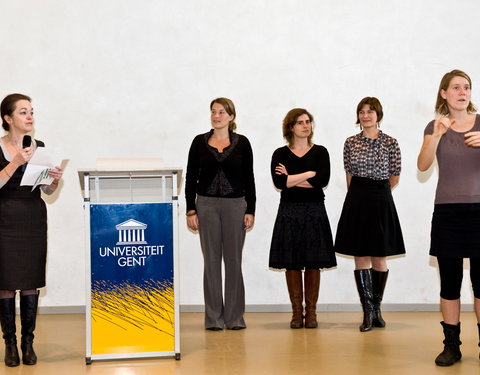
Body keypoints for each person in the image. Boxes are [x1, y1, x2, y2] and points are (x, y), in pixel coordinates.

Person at [417, 70, 480, 366]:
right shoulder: (434, 125)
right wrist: (437, 136)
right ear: (444, 93)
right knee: (450, 283)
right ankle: (451, 346)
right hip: (447, 212)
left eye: (466, 87)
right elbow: (423, 164)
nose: (462, 92)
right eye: (455, 87)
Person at [0, 93, 63, 367]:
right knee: (4, 284)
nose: (30, 117)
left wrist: (54, 181)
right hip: (4, 220)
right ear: (8, 118)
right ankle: (10, 345)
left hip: (32, 218)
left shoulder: (40, 147)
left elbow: (46, 190)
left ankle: (28, 344)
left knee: (30, 283)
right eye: (23, 112)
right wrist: (16, 162)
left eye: (31, 111)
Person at [335, 97, 405, 332]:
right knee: (360, 256)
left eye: (370, 111)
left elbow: (395, 175)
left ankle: (377, 309)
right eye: (362, 112)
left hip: (381, 198)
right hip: (357, 198)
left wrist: (379, 193)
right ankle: (367, 313)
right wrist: (357, 196)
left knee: (380, 256)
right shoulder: (350, 142)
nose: (366, 115)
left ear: (378, 115)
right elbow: (349, 174)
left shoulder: (391, 142)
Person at [185, 97, 255, 331]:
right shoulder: (198, 142)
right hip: (205, 205)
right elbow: (191, 177)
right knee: (212, 262)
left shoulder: (243, 143)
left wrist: (251, 209)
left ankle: (234, 317)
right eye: (214, 112)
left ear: (231, 117)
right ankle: (213, 318)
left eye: (222, 112)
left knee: (234, 262)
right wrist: (190, 209)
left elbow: (249, 178)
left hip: (236, 206)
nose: (217, 116)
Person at [269, 108, 336, 329]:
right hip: (289, 211)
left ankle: (312, 313)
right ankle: (297, 313)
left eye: (308, 122)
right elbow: (280, 184)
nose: (305, 126)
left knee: (314, 262)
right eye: (300, 122)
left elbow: (322, 180)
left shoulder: (321, 152)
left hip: (314, 210)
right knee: (292, 263)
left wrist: (292, 177)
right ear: (290, 127)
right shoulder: (280, 154)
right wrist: (309, 174)